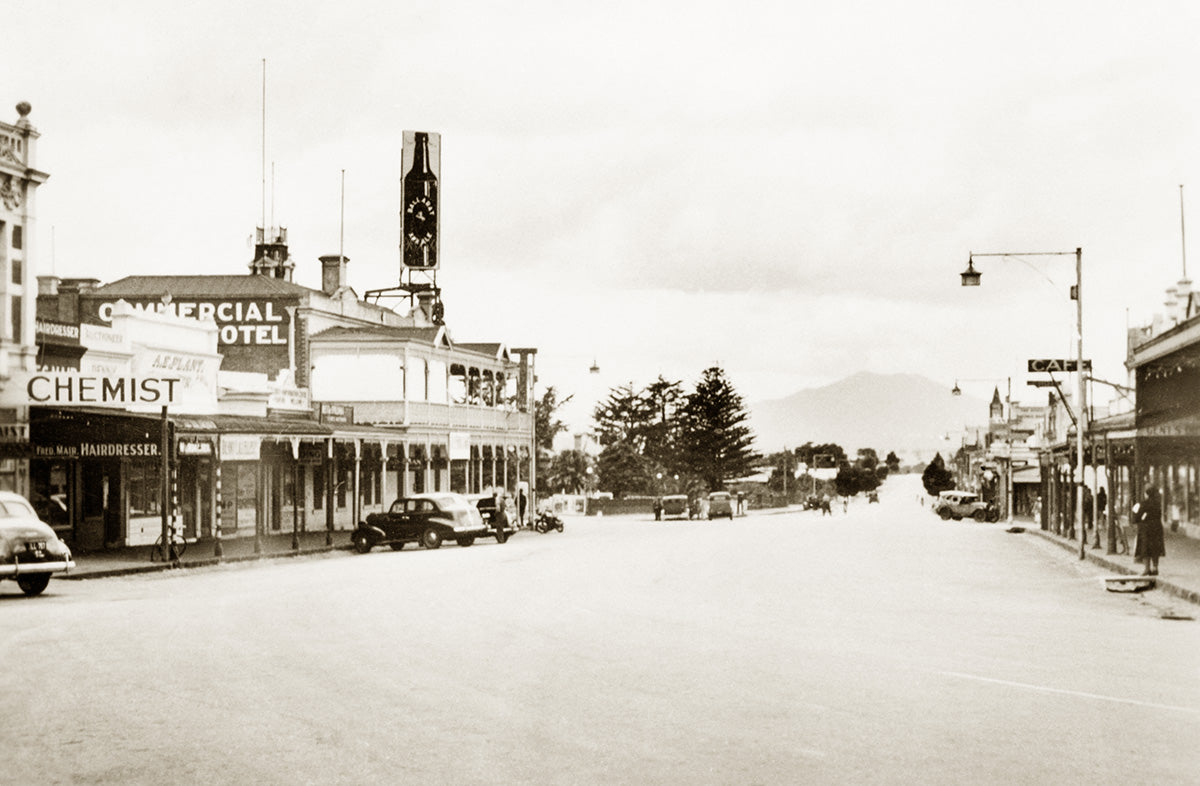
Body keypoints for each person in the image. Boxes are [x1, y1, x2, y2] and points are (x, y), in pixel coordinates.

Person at [1134, 486, 1165, 576]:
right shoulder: (1157, 504)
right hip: (1157, 528)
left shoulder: (1143, 504)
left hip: (1146, 529)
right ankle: (1155, 568)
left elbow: (1137, 517)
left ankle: (1147, 568)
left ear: (1147, 494)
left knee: (1145, 548)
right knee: (1155, 548)